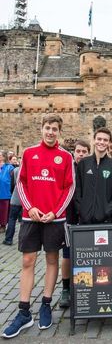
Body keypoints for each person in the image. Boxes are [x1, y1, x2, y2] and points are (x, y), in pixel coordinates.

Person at [2, 114, 75, 339]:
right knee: (27, 260)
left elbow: (69, 188)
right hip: (31, 217)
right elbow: (21, 183)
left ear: (59, 131)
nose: (50, 132)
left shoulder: (65, 157)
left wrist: (55, 211)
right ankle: (24, 311)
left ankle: (45, 303)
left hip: (55, 219)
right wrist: (30, 207)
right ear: (41, 129)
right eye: (47, 128)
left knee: (52, 259)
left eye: (54, 129)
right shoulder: (30, 153)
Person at [59, 140, 90, 308]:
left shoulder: (92, 170)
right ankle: (66, 289)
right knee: (67, 255)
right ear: (74, 153)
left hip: (87, 220)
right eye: (78, 151)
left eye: (84, 151)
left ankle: (86, 287)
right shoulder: (66, 169)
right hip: (68, 219)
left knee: (87, 254)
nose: (81, 154)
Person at [75, 127, 112, 225]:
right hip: (85, 219)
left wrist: (106, 212)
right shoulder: (84, 163)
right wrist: (81, 210)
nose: (102, 142)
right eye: (99, 139)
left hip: (105, 219)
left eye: (105, 140)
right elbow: (77, 190)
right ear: (94, 140)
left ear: (109, 143)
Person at [3, 166, 22, 245]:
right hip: (27, 200)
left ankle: (8, 239)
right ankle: (22, 241)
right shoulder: (33, 170)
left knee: (12, 219)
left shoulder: (16, 170)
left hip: (15, 198)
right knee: (24, 221)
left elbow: (12, 184)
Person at [0, 150, 14, 233]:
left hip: (5, 192)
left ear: (4, 157)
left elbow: (13, 180)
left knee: (4, 210)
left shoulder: (9, 167)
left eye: (0, 155)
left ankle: (3, 225)